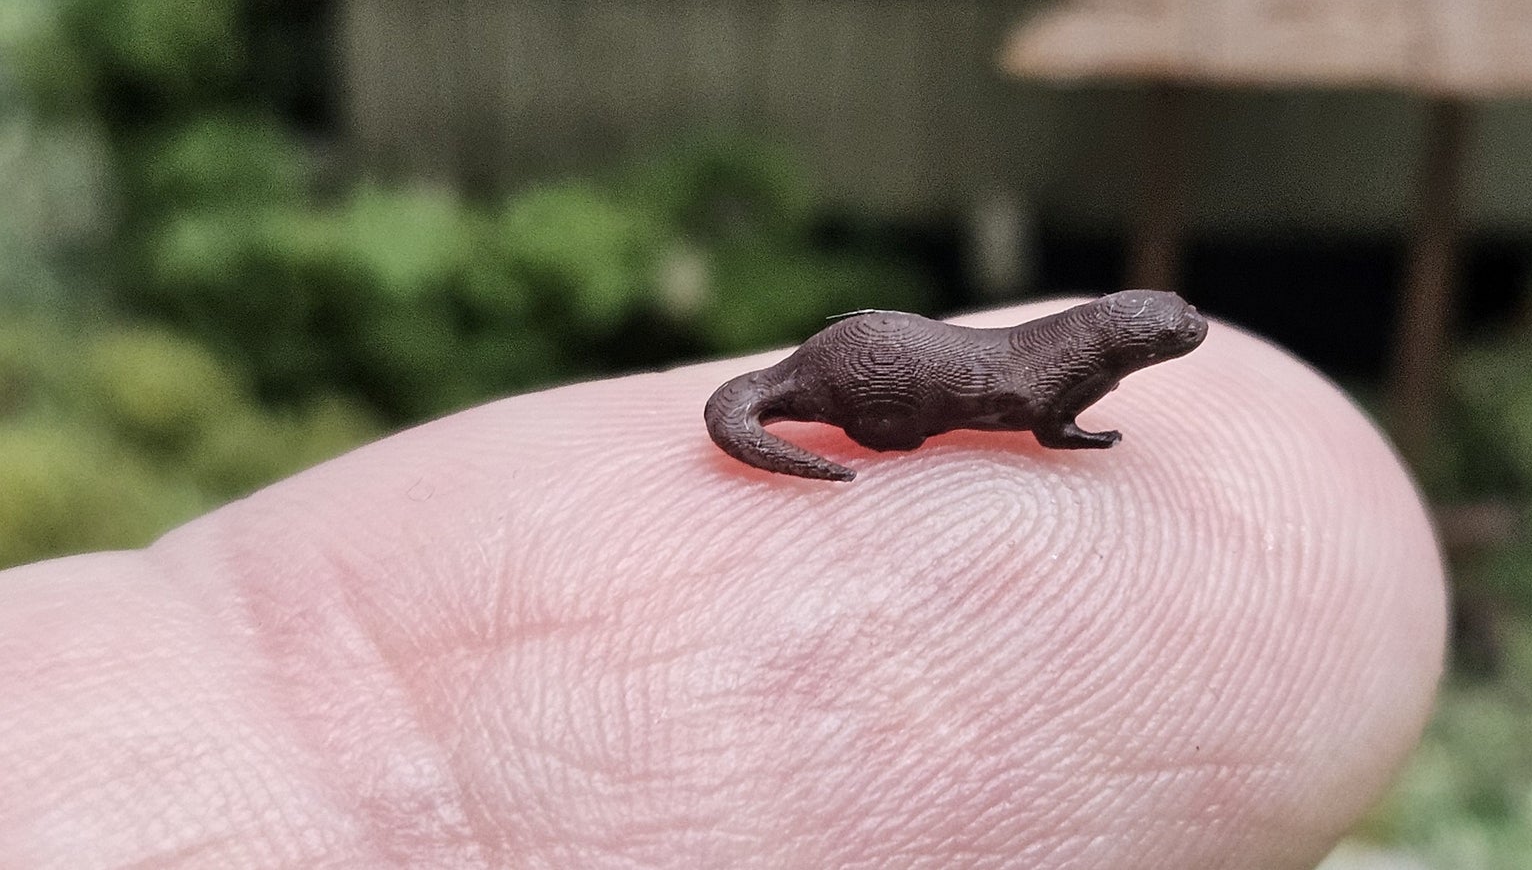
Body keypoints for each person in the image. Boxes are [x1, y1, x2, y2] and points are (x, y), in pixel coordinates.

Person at [0, 302, 1446, 867]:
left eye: (1169, 339)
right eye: (1162, 339)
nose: (1173, 347)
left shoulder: (1078, 353)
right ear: (1119, 339)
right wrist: (1008, 436)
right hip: (882, 375)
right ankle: (868, 421)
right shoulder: (1045, 371)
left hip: (883, 359)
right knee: (921, 402)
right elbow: (1020, 400)